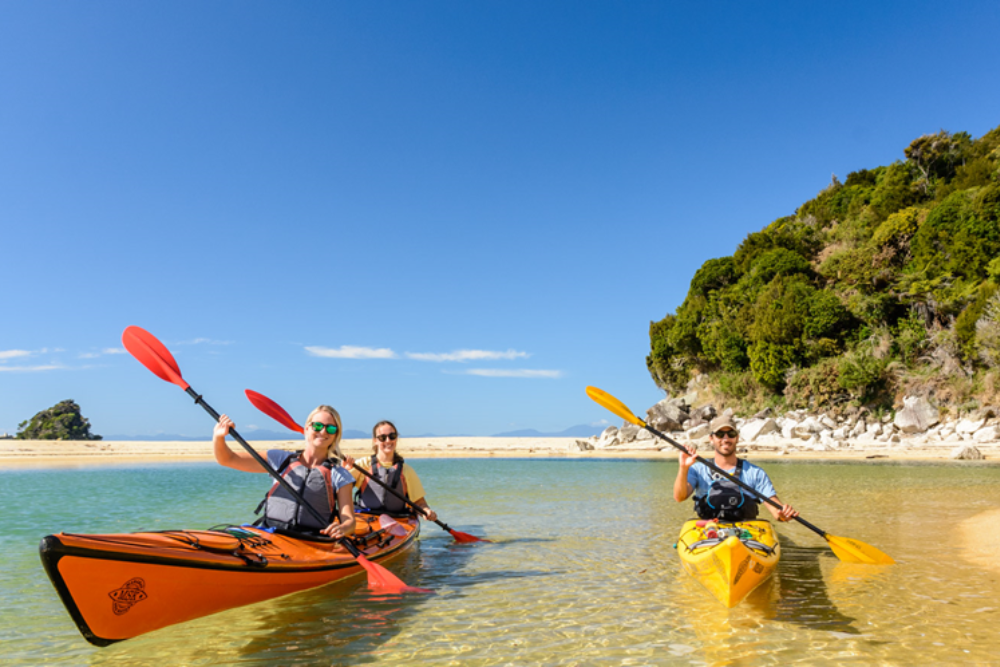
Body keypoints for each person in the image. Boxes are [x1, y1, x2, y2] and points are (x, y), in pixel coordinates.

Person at [212, 405, 356, 538]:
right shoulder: (279, 459)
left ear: (336, 435)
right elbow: (228, 459)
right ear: (307, 428)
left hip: (312, 540)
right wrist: (219, 437)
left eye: (331, 428)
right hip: (272, 535)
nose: (323, 431)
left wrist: (343, 528)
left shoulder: (339, 474)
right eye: (317, 426)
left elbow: (349, 520)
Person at [673, 413, 799, 523]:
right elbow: (679, 497)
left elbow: (775, 510)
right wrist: (683, 468)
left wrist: (783, 514)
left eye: (731, 434)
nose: (726, 439)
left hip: (746, 533)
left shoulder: (755, 473)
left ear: (737, 438)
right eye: (720, 434)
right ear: (711, 439)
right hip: (710, 531)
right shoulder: (698, 470)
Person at [345, 420, 438, 522]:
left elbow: (419, 502)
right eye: (382, 437)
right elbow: (341, 489)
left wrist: (426, 511)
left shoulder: (407, 471)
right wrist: (345, 471)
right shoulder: (363, 464)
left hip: (397, 519)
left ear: (396, 438)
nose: (388, 440)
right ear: (375, 440)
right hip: (367, 519)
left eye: (392, 436)